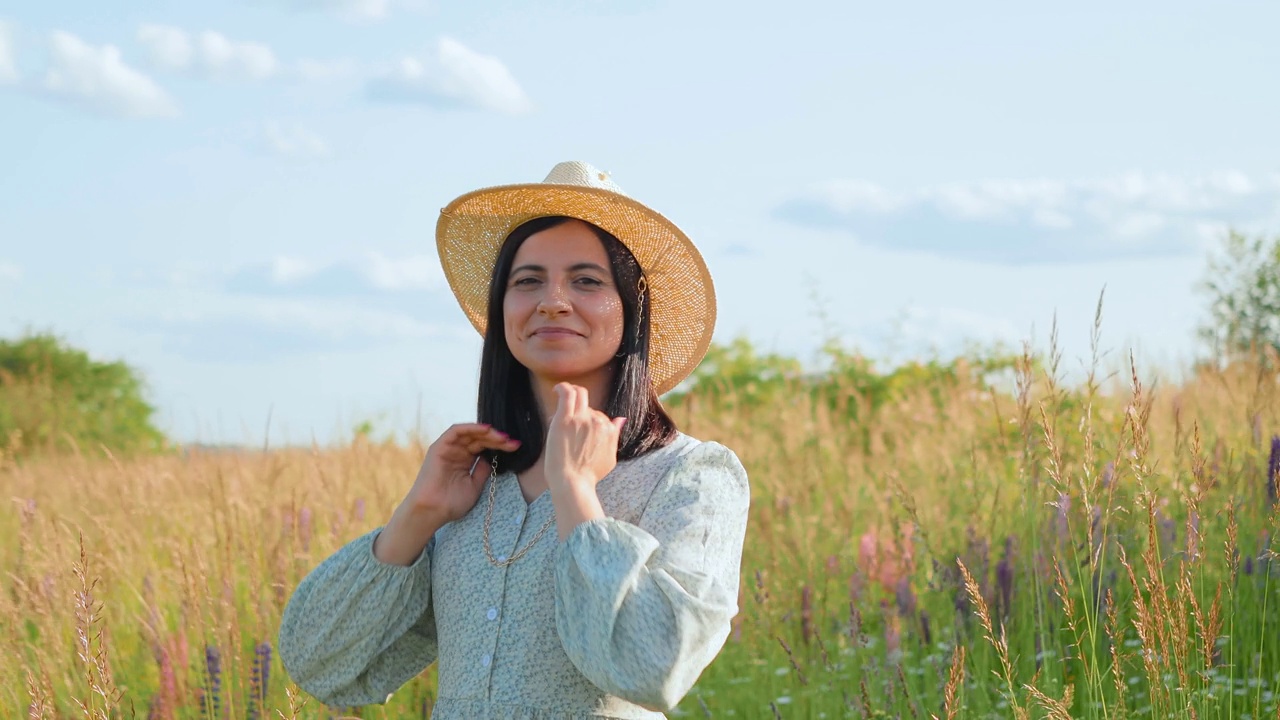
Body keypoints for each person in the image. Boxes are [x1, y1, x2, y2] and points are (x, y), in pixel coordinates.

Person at [278, 161, 751, 719]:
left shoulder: (690, 475)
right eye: (526, 281)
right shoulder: (474, 483)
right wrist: (418, 514)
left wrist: (576, 492)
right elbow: (318, 663)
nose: (552, 300)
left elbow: (656, 665)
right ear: (503, 307)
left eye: (587, 281)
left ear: (633, 306)